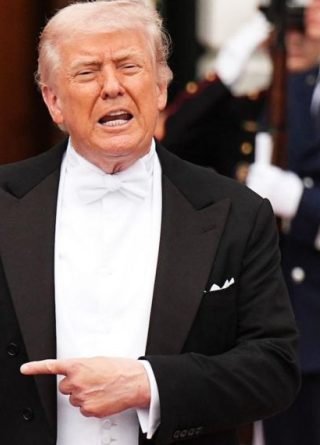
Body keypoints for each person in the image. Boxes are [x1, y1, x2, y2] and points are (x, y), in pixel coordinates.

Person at [0, 1, 300, 444]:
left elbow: (274, 367)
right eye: (87, 72)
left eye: (130, 66)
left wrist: (150, 384)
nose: (112, 87)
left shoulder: (236, 212)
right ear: (54, 101)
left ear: (161, 89)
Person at [161, 2, 320, 443]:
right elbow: (175, 136)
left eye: (301, 40)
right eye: (280, 43)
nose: (291, 50)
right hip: (258, 316)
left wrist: (301, 201)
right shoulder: (250, 113)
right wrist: (231, 60)